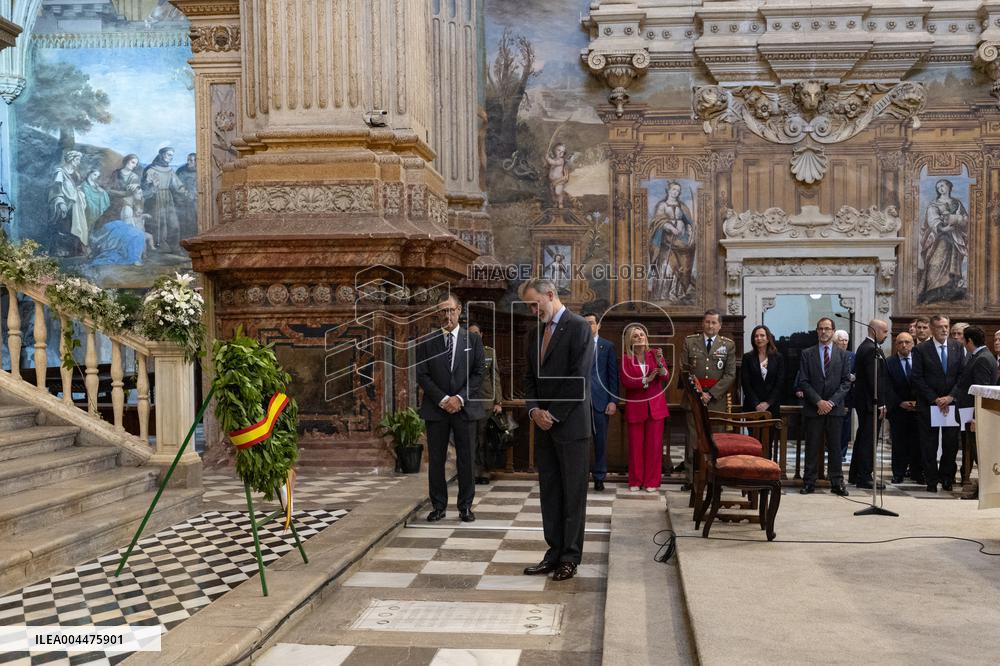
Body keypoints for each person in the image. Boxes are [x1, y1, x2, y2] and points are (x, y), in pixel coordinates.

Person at [521, 278, 594, 582]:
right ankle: (553, 553)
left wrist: (552, 414)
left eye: (534, 304)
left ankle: (570, 557)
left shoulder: (578, 328)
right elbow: (528, 378)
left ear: (550, 295)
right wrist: (534, 410)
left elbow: (579, 378)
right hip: (544, 425)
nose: (532, 310)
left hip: (571, 425)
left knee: (573, 494)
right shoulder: (534, 334)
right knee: (550, 493)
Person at [415, 294, 485, 523]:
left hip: (465, 409)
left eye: (451, 310)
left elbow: (478, 374)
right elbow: (422, 375)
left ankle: (465, 507)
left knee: (466, 459)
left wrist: (459, 399)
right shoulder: (427, 342)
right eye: (443, 311)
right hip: (437, 409)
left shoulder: (473, 341)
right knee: (436, 460)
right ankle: (438, 507)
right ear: (438, 314)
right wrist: (444, 399)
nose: (447, 315)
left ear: (460, 310)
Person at [938, 326, 998, 500]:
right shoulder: (979, 356)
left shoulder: (982, 359)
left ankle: (987, 488)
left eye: (964, 340)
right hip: (969, 413)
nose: (962, 343)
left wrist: (976, 417)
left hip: (976, 415)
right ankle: (982, 487)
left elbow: (983, 390)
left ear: (969, 341)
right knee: (973, 452)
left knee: (979, 454)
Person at [796, 317, 851, 496]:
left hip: (835, 409)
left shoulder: (843, 354)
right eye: (820, 329)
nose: (823, 332)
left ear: (833, 331)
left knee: (835, 447)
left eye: (827, 329)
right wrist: (819, 401)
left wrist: (831, 402)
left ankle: (837, 482)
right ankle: (809, 482)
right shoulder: (807, 353)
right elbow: (803, 381)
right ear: (817, 331)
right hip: (814, 407)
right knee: (812, 446)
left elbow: (845, 383)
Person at [681, 310, 736, 488]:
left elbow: (730, 375)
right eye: (707, 322)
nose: (710, 326)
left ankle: (714, 478)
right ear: (702, 323)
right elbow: (685, 370)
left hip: (716, 402)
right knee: (692, 441)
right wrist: (698, 393)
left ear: (720, 326)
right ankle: (690, 479)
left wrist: (710, 394)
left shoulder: (728, 345)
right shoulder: (690, 342)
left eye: (714, 323)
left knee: (715, 442)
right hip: (693, 400)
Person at [911, 315, 965, 492]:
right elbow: (917, 378)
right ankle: (931, 481)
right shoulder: (921, 349)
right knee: (929, 445)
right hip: (929, 404)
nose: (945, 330)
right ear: (932, 329)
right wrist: (935, 399)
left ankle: (947, 478)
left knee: (950, 444)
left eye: (946, 326)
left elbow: (962, 377)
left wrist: (950, 397)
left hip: (951, 404)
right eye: (940, 327)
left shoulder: (957, 347)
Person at [620, 324, 669, 493]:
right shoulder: (626, 358)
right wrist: (646, 379)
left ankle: (651, 482)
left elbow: (665, 376)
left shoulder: (655, 354)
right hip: (635, 408)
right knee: (635, 447)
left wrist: (660, 364)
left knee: (654, 447)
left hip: (655, 407)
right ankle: (635, 480)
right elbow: (626, 381)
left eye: (642, 334)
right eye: (636, 336)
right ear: (629, 340)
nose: (640, 337)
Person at [848, 319, 889, 490]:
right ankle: (864, 477)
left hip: (864, 401)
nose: (886, 335)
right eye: (885, 332)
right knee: (868, 441)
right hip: (869, 403)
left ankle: (855, 474)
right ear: (875, 331)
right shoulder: (871, 349)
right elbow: (875, 379)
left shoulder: (865, 346)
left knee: (862, 438)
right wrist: (880, 403)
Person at [918, 178, 969, 303]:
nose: (940, 188)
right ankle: (931, 291)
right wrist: (943, 228)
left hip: (955, 238)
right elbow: (932, 220)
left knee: (953, 265)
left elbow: (965, 219)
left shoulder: (956, 203)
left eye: (942, 185)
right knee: (934, 264)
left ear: (949, 187)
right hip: (939, 238)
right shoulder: (934, 205)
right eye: (938, 186)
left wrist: (957, 219)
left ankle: (949, 291)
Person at [583, 312, 619, 492]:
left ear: (598, 325)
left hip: (600, 401)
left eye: (590, 323)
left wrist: (613, 400)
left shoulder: (607, 346)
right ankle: (580, 476)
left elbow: (613, 376)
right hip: (579, 402)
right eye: (585, 323)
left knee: (600, 441)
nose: (588, 326)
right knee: (580, 441)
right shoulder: (576, 345)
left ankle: (599, 477)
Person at [467, 323, 503, 485]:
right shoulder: (464, 352)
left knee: (484, 439)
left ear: (481, 334)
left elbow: (495, 377)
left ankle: (485, 471)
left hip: (486, 402)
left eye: (475, 332)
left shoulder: (489, 352)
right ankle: (473, 472)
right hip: (469, 402)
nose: (473, 336)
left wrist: (498, 401)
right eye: (470, 333)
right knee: (471, 439)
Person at [740, 324, 784, 455]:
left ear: (768, 337)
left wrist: (767, 403)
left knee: (768, 442)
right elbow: (745, 383)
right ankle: (753, 471)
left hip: (771, 408)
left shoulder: (778, 357)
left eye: (762, 335)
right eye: (756, 336)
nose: (759, 338)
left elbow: (780, 382)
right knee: (753, 442)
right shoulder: (748, 357)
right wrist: (756, 404)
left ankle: (766, 471)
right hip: (752, 407)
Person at [886, 332, 923, 485]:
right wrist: (899, 402)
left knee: (918, 443)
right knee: (899, 444)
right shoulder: (889, 362)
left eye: (907, 342)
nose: (904, 345)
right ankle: (898, 473)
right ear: (896, 345)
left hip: (918, 410)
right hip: (898, 410)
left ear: (913, 344)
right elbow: (886, 386)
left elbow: (924, 383)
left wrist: (918, 402)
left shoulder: (920, 361)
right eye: (900, 342)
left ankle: (917, 472)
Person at [649, 182, 696, 302]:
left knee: (682, 266)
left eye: (678, 190)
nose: (676, 192)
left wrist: (690, 229)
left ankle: (677, 293)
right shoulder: (662, 205)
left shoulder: (682, 206)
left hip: (681, 241)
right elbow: (658, 221)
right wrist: (670, 227)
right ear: (668, 191)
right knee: (668, 267)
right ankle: (663, 294)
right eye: (674, 189)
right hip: (666, 241)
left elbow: (688, 221)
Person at [143, 147, 188, 252]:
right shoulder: (151, 170)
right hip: (155, 199)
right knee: (159, 224)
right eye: (169, 155)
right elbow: (145, 187)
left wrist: (186, 193)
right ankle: (160, 247)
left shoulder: (170, 170)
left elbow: (177, 185)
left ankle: (174, 246)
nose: (171, 157)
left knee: (173, 223)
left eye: (172, 155)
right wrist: (153, 186)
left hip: (167, 198)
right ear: (162, 155)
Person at [47, 150, 87, 257]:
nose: (79, 162)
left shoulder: (76, 174)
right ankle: (60, 251)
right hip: (64, 204)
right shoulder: (60, 172)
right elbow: (56, 189)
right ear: (71, 159)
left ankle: (74, 251)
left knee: (74, 227)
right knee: (63, 227)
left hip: (75, 205)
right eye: (77, 160)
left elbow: (75, 188)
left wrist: (79, 193)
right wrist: (60, 202)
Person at [833, 329, 855, 464]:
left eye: (846, 340)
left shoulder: (853, 356)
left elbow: (858, 371)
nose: (844, 343)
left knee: (846, 426)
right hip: (833, 396)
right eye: (841, 340)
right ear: (835, 341)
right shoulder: (831, 354)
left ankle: (842, 452)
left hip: (848, 397)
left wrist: (853, 377)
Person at [175, 152, 198, 240]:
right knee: (187, 222)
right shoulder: (181, 172)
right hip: (185, 203)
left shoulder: (202, 171)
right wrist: (188, 196)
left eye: (192, 160)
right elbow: (178, 187)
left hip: (197, 201)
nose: (189, 162)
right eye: (188, 160)